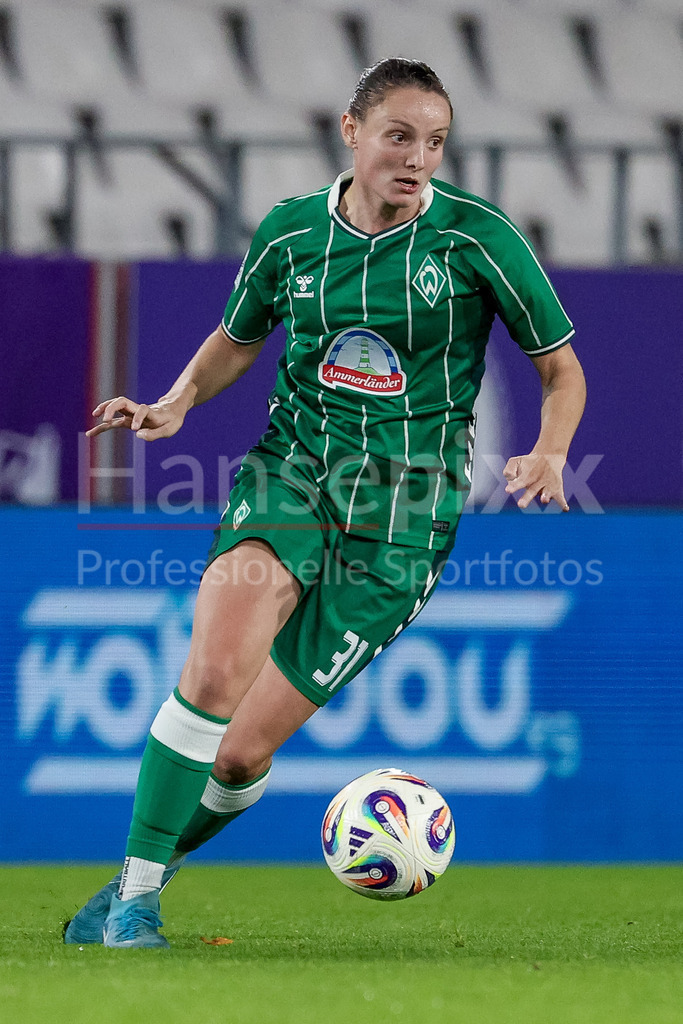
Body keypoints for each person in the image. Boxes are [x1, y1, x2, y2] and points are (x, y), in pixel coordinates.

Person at [64, 57, 586, 948]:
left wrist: (548, 450)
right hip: (293, 474)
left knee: (238, 755)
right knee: (213, 673)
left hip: (403, 523)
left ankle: (131, 880)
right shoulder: (290, 234)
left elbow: (560, 370)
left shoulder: (476, 240)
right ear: (351, 131)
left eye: (433, 142)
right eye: (398, 136)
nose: (416, 157)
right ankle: (138, 907)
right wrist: (174, 402)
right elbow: (235, 340)